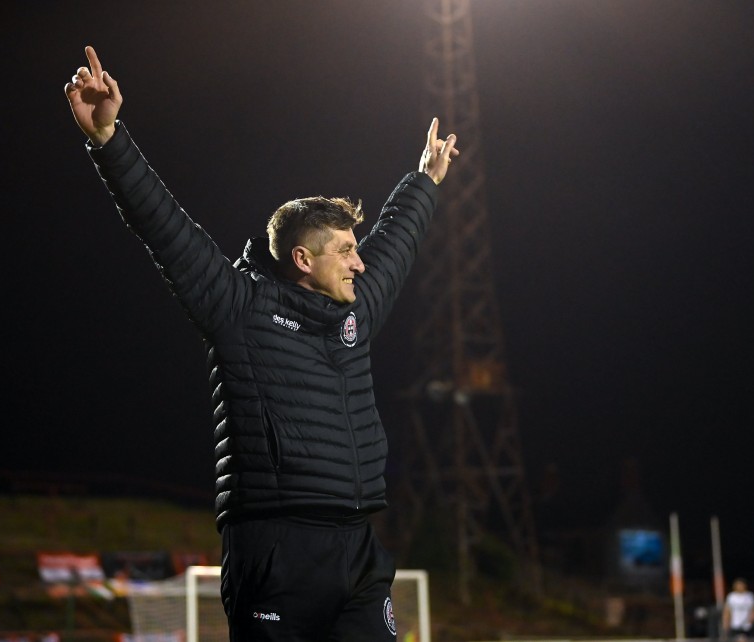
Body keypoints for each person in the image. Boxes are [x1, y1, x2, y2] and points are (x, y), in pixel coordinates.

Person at [64, 45, 459, 641]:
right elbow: (164, 227)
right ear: (302, 259)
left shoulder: (356, 312)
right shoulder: (237, 307)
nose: (360, 260)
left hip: (356, 548)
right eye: (346, 249)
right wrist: (109, 140)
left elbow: (397, 240)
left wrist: (425, 179)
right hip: (273, 551)